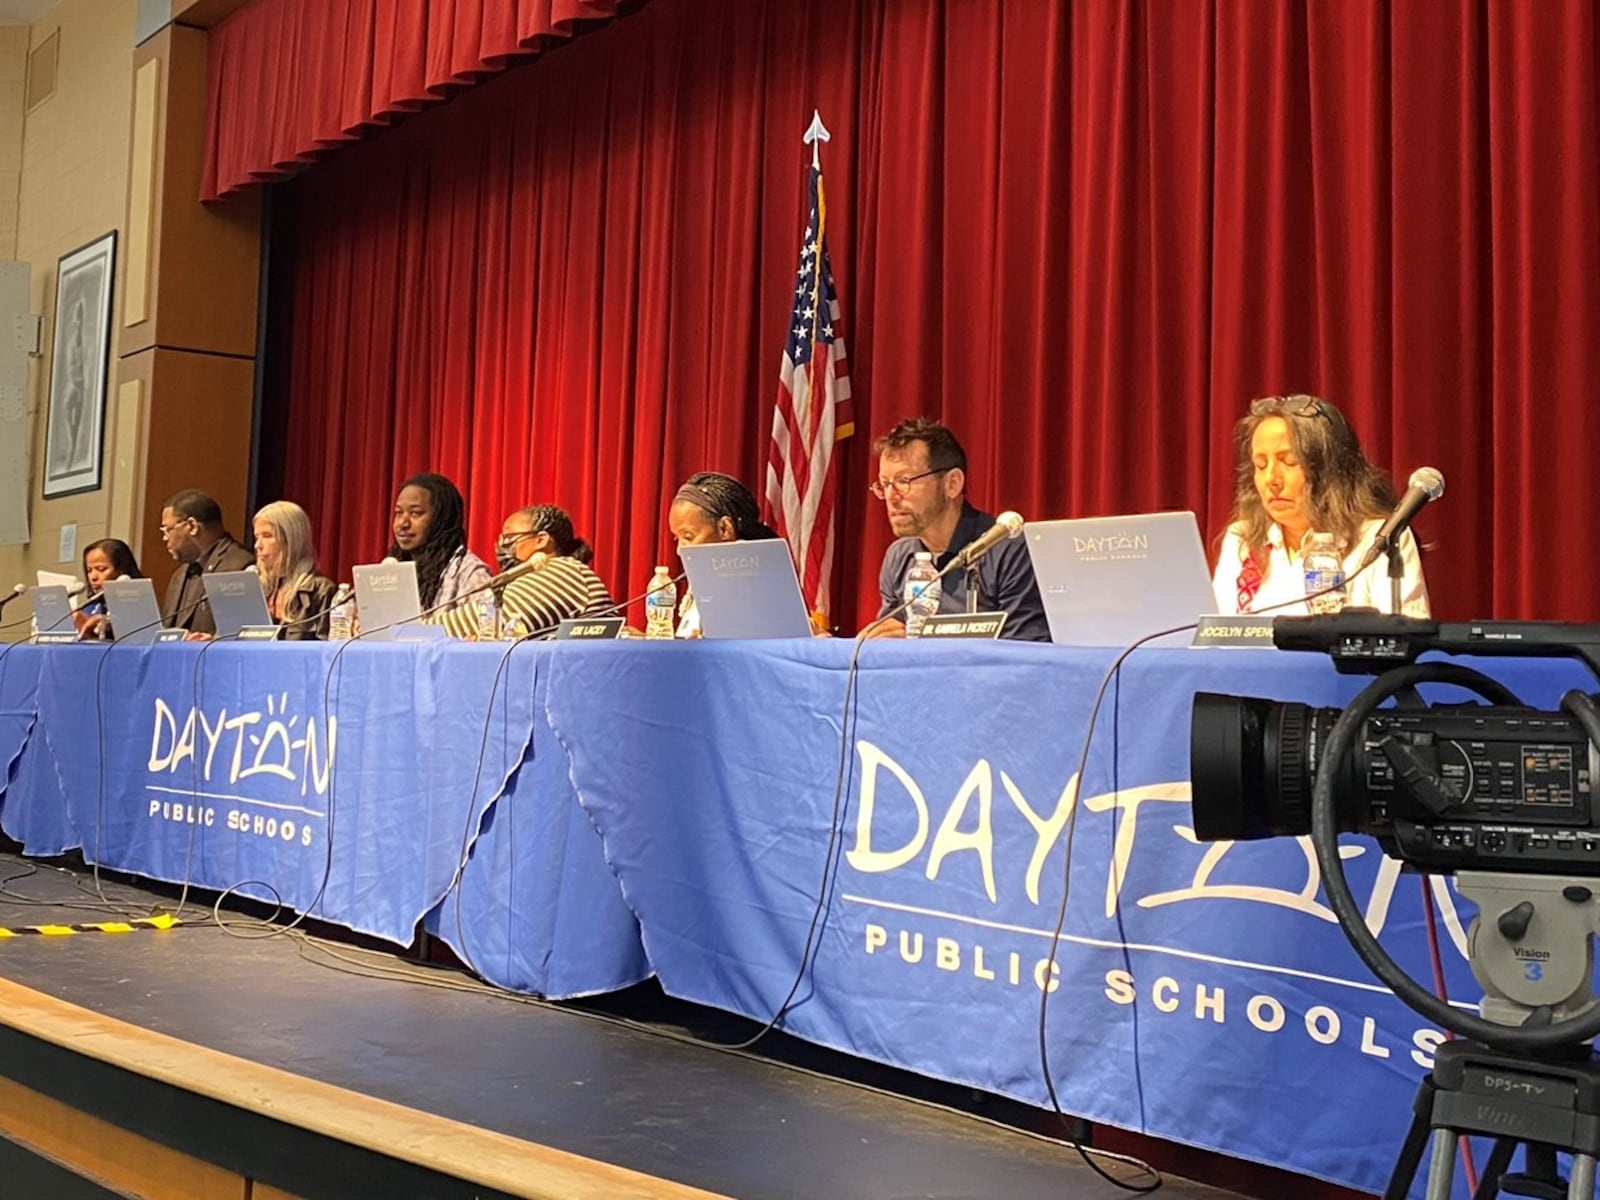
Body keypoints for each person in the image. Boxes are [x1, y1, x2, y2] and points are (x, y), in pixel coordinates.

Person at [1211, 393, 1430, 616]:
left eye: (1289, 462)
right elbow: (1212, 636)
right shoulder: (1243, 538)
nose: (1271, 479)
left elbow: (1407, 638)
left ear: (1329, 470)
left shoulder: (1381, 539)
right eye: (1260, 465)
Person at [864, 417, 1049, 641]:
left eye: (904, 481)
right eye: (884, 484)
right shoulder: (899, 557)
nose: (891, 498)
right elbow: (893, 636)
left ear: (952, 484)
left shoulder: (1010, 552)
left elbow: (1024, 653)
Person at [436, 504, 613, 638]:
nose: (501, 546)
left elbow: (472, 624)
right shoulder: (537, 575)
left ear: (541, 540)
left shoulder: (564, 572)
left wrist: (416, 631)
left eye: (509, 538)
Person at [667, 471, 779, 637]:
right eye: (677, 538)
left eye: (688, 537)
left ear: (725, 529)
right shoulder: (707, 572)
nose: (679, 550)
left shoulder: (755, 575)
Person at [388, 472, 492, 611]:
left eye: (415, 513)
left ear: (441, 519)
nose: (403, 523)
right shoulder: (392, 569)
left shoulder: (469, 574)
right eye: (399, 513)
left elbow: (485, 625)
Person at [159, 489, 255, 635]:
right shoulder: (179, 575)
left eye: (167, 529)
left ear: (192, 526)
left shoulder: (239, 567)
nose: (165, 538)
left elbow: (239, 635)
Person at [252, 500, 338, 640]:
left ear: (292, 541)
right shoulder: (260, 589)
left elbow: (327, 653)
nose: (257, 545)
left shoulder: (321, 591)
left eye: (267, 536)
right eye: (257, 537)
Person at [74, 537, 140, 639]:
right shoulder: (91, 607)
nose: (93, 577)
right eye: (89, 570)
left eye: (101, 569)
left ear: (121, 570)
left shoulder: (139, 605)